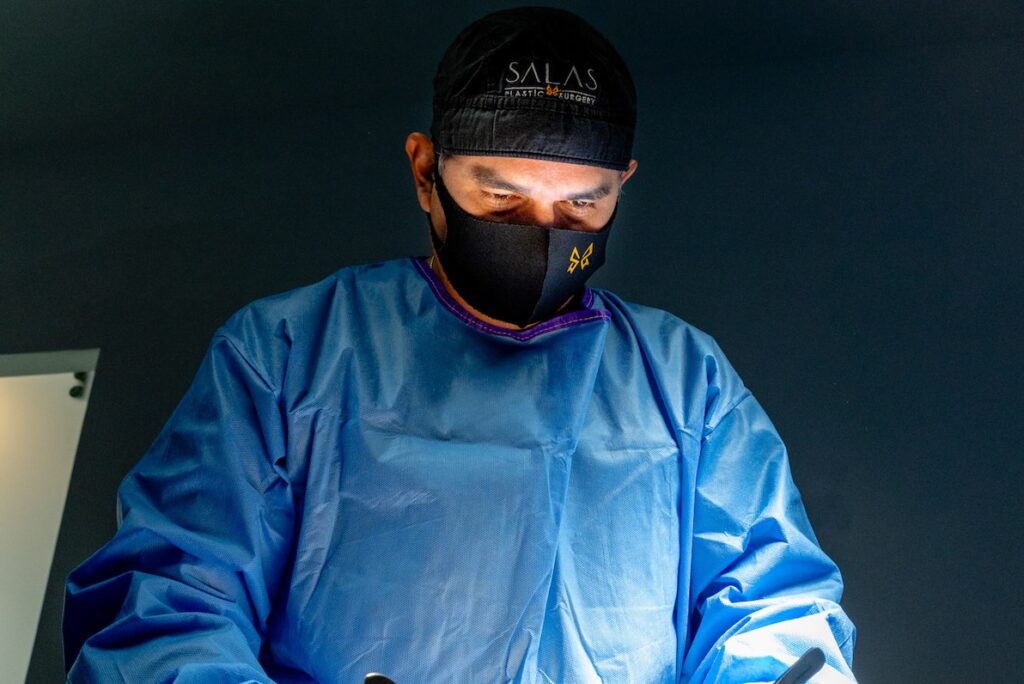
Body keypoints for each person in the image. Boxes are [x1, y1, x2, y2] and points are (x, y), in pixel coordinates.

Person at [63, 7, 857, 683]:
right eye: (501, 200)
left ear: (622, 185)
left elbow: (776, 612)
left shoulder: (685, 383)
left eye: (581, 207)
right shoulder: (286, 356)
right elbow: (167, 609)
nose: (541, 236)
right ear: (425, 172)